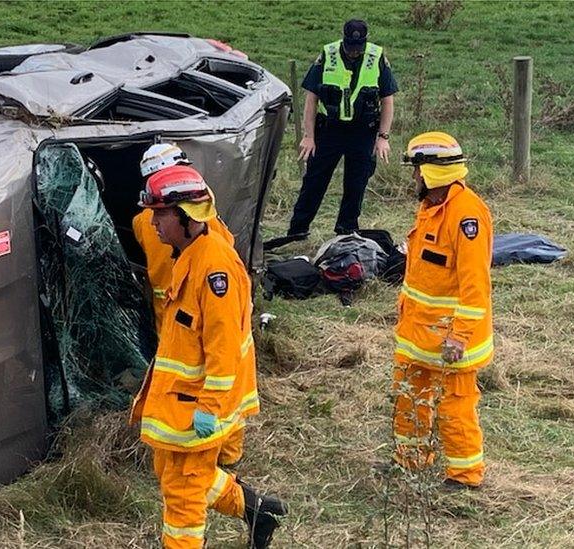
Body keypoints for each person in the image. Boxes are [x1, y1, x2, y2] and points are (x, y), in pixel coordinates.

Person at [128, 164, 287, 548]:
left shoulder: (215, 267)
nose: (153, 224)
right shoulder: (189, 251)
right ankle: (258, 509)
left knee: (183, 493)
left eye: (161, 215)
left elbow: (224, 347)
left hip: (200, 404)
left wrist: (209, 407)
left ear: (186, 217)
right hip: (180, 399)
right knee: (173, 470)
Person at [392, 131, 493, 490]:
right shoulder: (432, 207)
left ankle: (465, 478)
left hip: (452, 341)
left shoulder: (467, 216)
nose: (414, 177)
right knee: (409, 395)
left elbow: (475, 286)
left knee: (456, 406)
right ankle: (410, 462)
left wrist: (459, 336)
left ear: (432, 172)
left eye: (417, 170)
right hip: (418, 334)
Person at [132, 143, 245, 466]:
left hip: (175, 317)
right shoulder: (204, 235)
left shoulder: (144, 225)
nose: (156, 222)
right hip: (186, 317)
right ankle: (226, 458)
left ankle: (215, 460)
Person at [285, 19, 398, 241]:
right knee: (314, 181)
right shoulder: (328, 55)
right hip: (330, 129)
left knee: (357, 182)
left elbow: (387, 99)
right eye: (350, 47)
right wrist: (309, 136)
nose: (354, 52)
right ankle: (297, 230)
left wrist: (383, 137)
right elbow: (311, 99)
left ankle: (346, 229)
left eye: (358, 48)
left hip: (363, 131)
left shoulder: (376, 57)